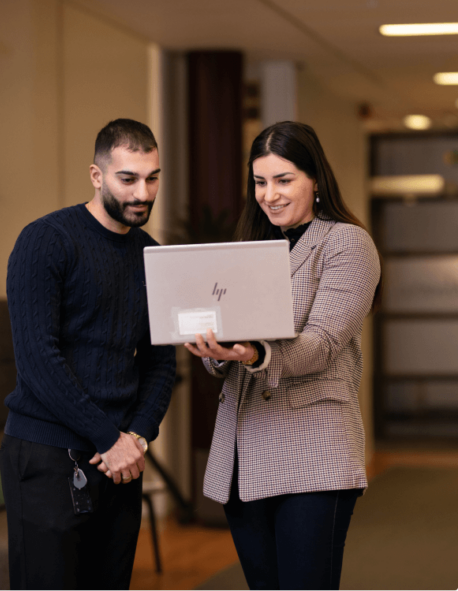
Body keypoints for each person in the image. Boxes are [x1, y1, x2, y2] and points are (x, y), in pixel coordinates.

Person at [185, 121, 381, 591]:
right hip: (242, 454)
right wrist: (213, 349)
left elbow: (322, 346)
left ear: (315, 181)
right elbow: (227, 344)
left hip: (313, 456)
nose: (269, 194)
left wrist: (253, 354)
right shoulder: (248, 250)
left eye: (283, 179)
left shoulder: (346, 244)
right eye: (259, 181)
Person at [0, 118, 176, 591]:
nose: (143, 192)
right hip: (47, 455)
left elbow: (161, 362)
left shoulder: (152, 256)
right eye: (128, 178)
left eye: (152, 177)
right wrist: (107, 438)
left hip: (120, 461)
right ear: (97, 176)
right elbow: (38, 358)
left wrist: (137, 435)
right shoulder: (45, 240)